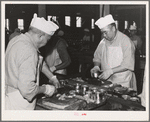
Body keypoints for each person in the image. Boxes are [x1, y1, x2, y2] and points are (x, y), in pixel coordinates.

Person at [5, 13, 60, 110]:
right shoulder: (29, 50)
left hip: (9, 94)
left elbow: (40, 61)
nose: (47, 43)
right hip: (20, 101)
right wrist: (46, 89)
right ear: (40, 36)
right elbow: (27, 89)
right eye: (48, 39)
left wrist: (52, 77)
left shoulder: (17, 40)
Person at [90, 14, 137, 90]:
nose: (104, 35)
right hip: (107, 81)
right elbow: (97, 58)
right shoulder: (103, 42)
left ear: (114, 28)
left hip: (123, 81)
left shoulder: (125, 41)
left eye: (106, 32)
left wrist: (110, 71)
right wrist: (96, 66)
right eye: (102, 33)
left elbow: (127, 64)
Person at [129, 25, 143, 94]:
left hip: (136, 58)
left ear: (135, 31)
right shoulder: (128, 38)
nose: (132, 32)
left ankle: (138, 91)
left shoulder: (138, 38)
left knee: (137, 74)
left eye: (133, 31)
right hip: (130, 57)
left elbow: (139, 48)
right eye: (131, 31)